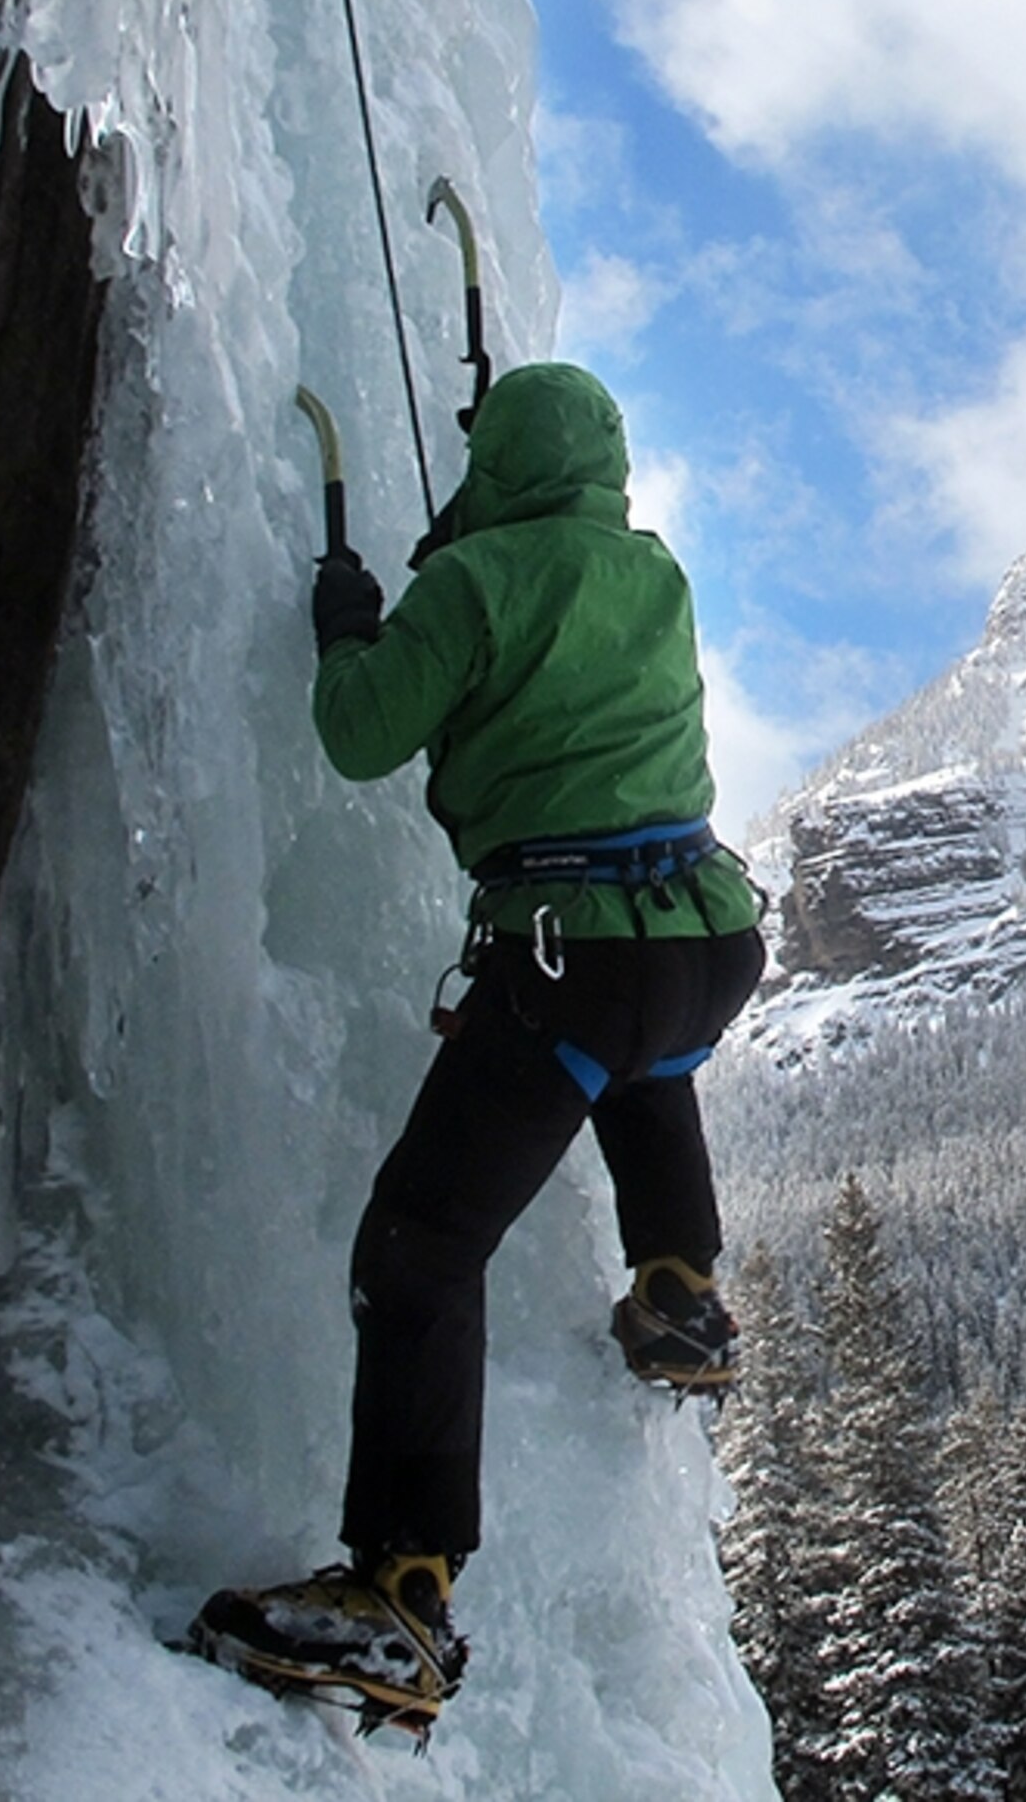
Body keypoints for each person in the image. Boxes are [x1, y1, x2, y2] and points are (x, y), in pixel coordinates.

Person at [188, 361, 765, 1735]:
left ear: (494, 464)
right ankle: (680, 1283)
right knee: (648, 1064)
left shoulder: (472, 583)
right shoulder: (656, 573)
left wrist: (352, 624)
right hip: (707, 940)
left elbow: (359, 731)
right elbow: (567, 651)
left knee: (421, 1244)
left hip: (574, 960)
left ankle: (405, 1582)